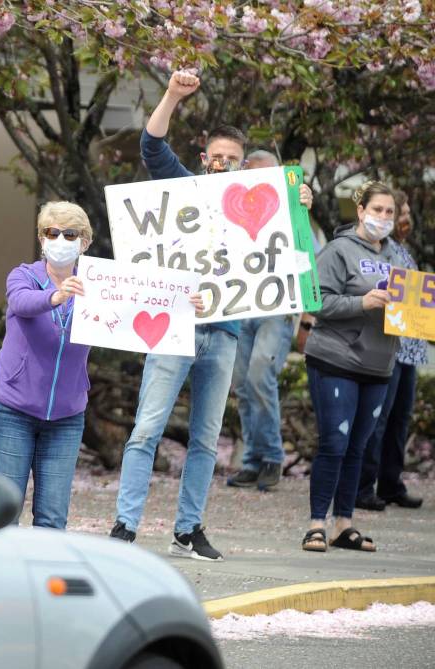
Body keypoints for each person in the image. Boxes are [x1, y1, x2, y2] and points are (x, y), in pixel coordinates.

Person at [110, 71, 313, 561]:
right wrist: (173, 96)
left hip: (223, 334)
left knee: (204, 439)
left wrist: (300, 205)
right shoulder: (182, 189)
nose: (223, 166)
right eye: (217, 158)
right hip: (173, 328)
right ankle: (124, 527)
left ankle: (188, 530)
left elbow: (294, 255)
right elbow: (152, 145)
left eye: (233, 161)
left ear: (246, 169)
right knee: (146, 429)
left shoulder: (258, 210)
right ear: (204, 160)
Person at [300, 180, 399, 553]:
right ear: (360, 211)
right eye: (377, 210)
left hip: (379, 366)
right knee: (335, 443)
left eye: (389, 212)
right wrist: (363, 304)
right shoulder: (338, 250)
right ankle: (315, 524)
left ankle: (344, 524)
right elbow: (316, 302)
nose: (384, 218)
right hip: (335, 359)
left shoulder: (398, 258)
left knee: (358, 446)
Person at [0, 201, 93, 529]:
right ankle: (3, 578)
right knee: (5, 511)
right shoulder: (24, 276)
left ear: (84, 242)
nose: (60, 239)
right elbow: (21, 302)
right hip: (13, 409)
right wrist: (55, 297)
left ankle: (43, 580)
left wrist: (184, 305)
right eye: (52, 232)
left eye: (70, 233)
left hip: (66, 416)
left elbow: (137, 309)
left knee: (52, 517)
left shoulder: (99, 284)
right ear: (42, 239)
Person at [227, 150, 297, 491]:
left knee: (259, 374)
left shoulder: (292, 209)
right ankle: (253, 460)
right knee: (241, 383)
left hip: (275, 306)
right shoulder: (230, 208)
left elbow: (307, 255)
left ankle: (272, 456)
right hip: (240, 306)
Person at [356, 190, 426, 511]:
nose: (404, 219)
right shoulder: (380, 251)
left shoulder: (404, 250)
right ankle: (364, 486)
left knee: (400, 418)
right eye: (401, 213)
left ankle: (390, 482)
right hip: (389, 345)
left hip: (411, 345)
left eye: (406, 212)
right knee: (379, 419)